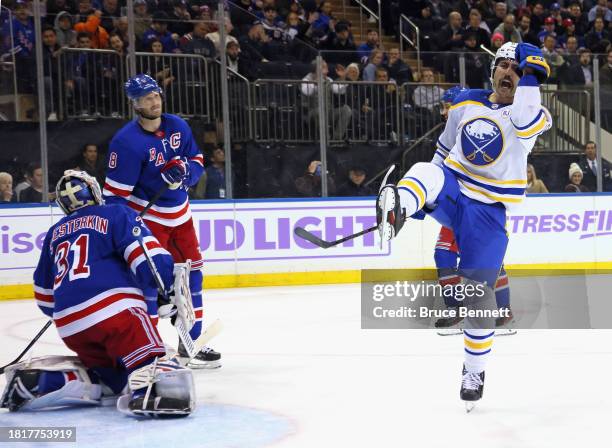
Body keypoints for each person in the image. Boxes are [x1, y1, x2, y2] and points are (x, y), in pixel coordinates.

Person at [377, 42, 552, 407]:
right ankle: (398, 208)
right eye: (503, 65)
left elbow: (522, 121)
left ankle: (474, 369)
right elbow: (442, 153)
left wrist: (532, 73)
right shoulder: (465, 102)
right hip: (454, 191)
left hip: (489, 214)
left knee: (479, 300)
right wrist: (419, 197)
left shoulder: (534, 115)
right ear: (492, 70)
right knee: (426, 169)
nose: (509, 72)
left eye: (516, 69)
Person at [0, 170, 196, 417]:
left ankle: (44, 381)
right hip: (116, 314)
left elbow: (44, 296)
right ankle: (153, 390)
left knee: (114, 381)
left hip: (71, 326)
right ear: (94, 192)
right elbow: (152, 261)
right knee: (154, 362)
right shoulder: (116, 213)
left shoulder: (54, 234)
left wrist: (75, 309)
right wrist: (165, 291)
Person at [102, 74, 220, 368]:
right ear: (135, 104)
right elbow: (115, 197)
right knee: (150, 286)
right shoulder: (126, 143)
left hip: (181, 216)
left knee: (193, 276)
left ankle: (189, 345)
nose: (154, 102)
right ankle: (148, 351)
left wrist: (185, 172)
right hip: (149, 219)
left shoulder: (177, 125)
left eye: (155, 95)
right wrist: (127, 227)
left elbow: (197, 160)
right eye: (146, 99)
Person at [300, 61, 352, 141]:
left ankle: (336, 139)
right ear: (316, 69)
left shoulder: (328, 79)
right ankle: (326, 140)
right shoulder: (306, 79)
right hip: (312, 113)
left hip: (328, 112)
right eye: (325, 68)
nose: (327, 71)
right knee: (319, 111)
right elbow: (308, 92)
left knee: (346, 110)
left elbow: (338, 90)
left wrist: (343, 78)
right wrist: (316, 82)